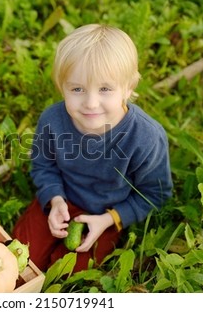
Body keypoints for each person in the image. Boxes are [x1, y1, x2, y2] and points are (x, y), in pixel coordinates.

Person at [12, 24, 173, 272]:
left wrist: (110, 220)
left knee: (67, 274)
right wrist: (54, 199)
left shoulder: (146, 137)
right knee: (19, 255)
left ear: (129, 88)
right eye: (77, 89)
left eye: (105, 89)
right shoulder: (53, 120)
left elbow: (154, 194)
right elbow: (44, 164)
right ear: (61, 86)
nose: (90, 103)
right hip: (62, 200)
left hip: (106, 212)